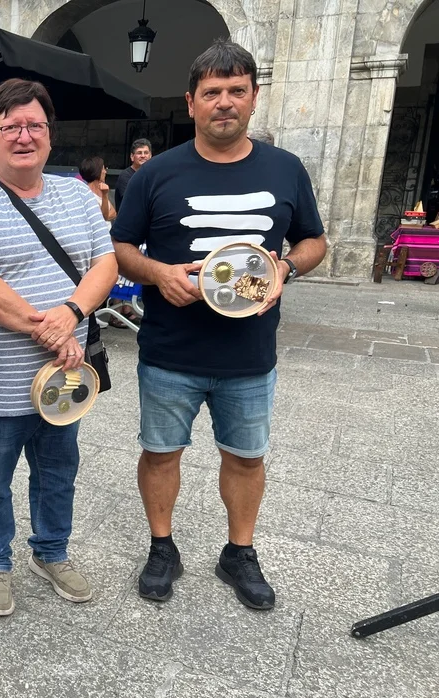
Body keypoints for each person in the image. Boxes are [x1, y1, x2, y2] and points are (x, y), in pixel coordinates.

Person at [111, 40, 328, 611]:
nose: (224, 102)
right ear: (191, 102)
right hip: (170, 349)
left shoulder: (285, 168)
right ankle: (162, 547)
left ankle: (240, 552)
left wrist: (285, 267)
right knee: (161, 453)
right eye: (212, 92)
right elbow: (121, 248)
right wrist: (159, 273)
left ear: (254, 97)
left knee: (247, 457)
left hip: (249, 352)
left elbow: (314, 240)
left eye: (236, 90)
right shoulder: (157, 173)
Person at [0, 79, 118, 617]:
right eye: (10, 126)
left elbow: (105, 264)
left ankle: (51, 551)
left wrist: (72, 313)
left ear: (49, 135)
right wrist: (53, 330)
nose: (23, 136)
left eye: (34, 125)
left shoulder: (77, 196)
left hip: (65, 375)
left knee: (59, 469)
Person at [115, 138, 152, 206]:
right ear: (132, 156)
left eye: (146, 153)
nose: (143, 156)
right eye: (139, 153)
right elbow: (131, 200)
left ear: (150, 156)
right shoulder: (125, 176)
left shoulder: (153, 175)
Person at [79, 156, 116, 222]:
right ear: (97, 172)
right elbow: (102, 217)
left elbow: (114, 213)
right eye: (103, 169)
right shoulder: (87, 194)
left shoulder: (101, 190)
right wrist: (104, 195)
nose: (105, 172)